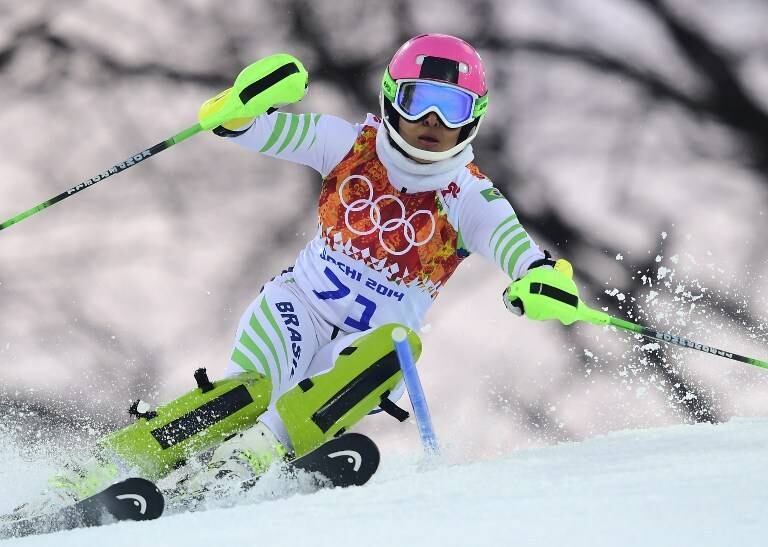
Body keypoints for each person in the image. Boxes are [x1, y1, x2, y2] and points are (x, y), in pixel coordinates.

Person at [30, 34, 577, 509]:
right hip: (298, 309)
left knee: (398, 344)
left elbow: (524, 256)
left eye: (451, 108)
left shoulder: (471, 198)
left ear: (475, 115)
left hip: (360, 347)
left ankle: (252, 457)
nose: (433, 122)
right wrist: (244, 102)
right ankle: (107, 466)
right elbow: (237, 127)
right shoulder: (348, 146)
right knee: (252, 391)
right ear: (392, 99)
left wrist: (542, 281)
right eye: (420, 101)